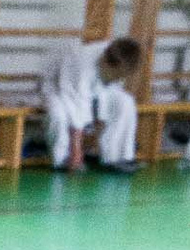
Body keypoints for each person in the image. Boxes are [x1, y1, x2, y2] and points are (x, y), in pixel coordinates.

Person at [40, 32, 142, 173]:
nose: (120, 77)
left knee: (125, 102)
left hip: (96, 88)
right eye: (118, 74)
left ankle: (116, 157)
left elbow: (107, 93)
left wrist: (101, 119)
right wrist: (76, 150)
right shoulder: (81, 62)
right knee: (58, 114)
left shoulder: (121, 57)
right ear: (106, 63)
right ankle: (63, 158)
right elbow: (76, 105)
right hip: (58, 88)